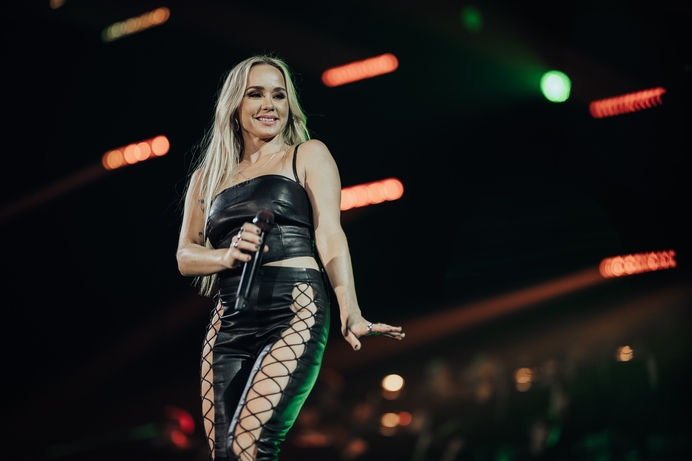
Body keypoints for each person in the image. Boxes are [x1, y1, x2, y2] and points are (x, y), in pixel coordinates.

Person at [176, 55, 405, 461]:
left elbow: (330, 234)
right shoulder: (206, 177)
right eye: (256, 94)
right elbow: (185, 255)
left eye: (279, 95)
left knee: (250, 445)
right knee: (225, 455)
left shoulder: (307, 154)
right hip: (228, 317)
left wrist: (350, 310)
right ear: (235, 104)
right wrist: (227, 255)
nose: (269, 105)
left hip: (294, 307)